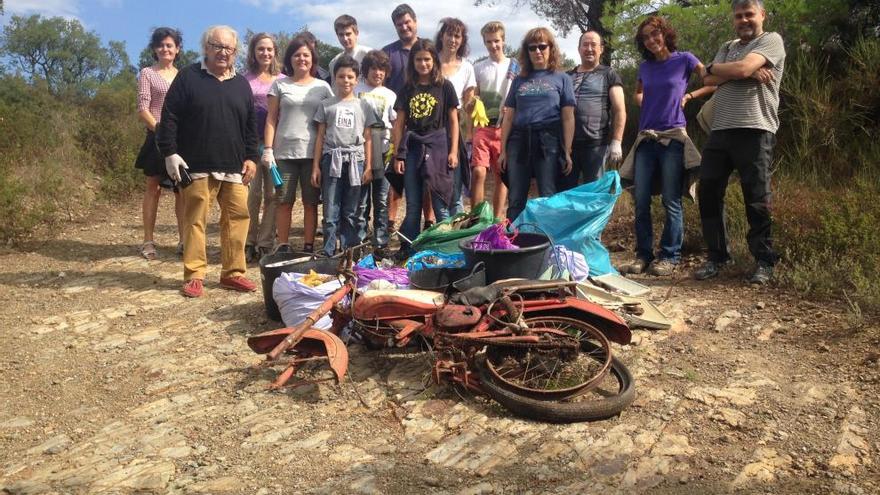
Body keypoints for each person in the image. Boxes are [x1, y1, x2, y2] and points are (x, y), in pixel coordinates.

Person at [156, 25, 260, 298]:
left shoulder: (241, 84)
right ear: (206, 47)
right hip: (197, 164)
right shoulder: (188, 77)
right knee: (195, 220)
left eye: (229, 48)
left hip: (235, 166)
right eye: (217, 46)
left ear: (235, 52)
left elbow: (250, 126)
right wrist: (169, 152)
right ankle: (194, 275)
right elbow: (169, 117)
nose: (223, 52)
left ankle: (233, 273)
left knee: (238, 219)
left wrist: (252, 157)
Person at [696, 0, 785, 285]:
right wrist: (730, 69)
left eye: (749, 14)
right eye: (739, 16)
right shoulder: (728, 45)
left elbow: (741, 69)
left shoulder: (772, 40)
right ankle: (718, 257)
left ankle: (764, 261)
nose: (744, 20)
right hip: (720, 131)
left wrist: (734, 69)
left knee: (757, 199)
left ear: (762, 16)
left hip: (755, 129)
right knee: (708, 193)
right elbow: (706, 76)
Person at [617, 16, 712, 277]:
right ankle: (643, 256)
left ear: (665, 34)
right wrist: (643, 99)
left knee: (671, 200)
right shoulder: (645, 67)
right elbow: (637, 92)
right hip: (646, 139)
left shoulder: (685, 60)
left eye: (654, 34)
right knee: (641, 200)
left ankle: (670, 256)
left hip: (673, 138)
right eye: (645, 38)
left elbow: (710, 79)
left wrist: (690, 95)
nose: (651, 40)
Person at [263, 37, 333, 255]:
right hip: (284, 153)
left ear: (312, 59)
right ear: (289, 59)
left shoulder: (323, 87)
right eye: (297, 55)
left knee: (311, 203)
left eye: (306, 55)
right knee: (284, 200)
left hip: (313, 154)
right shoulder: (280, 84)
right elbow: (271, 119)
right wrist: (268, 149)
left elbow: (329, 118)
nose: (302, 59)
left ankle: (308, 245)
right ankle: (283, 244)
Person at [391, 39, 461, 252]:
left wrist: (453, 151)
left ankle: (446, 246)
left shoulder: (444, 86)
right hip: (412, 147)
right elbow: (400, 124)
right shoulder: (407, 88)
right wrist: (398, 155)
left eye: (427, 59)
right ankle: (408, 246)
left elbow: (453, 120)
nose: (423, 64)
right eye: (419, 59)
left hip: (438, 146)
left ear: (434, 61)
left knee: (440, 201)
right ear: (412, 62)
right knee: (413, 203)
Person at [499, 27, 575, 222]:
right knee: (516, 197)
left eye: (542, 46)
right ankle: (513, 245)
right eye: (532, 48)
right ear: (527, 52)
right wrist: (502, 151)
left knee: (548, 195)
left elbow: (568, 117)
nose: (538, 51)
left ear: (551, 48)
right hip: (519, 140)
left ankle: (548, 245)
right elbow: (508, 117)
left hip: (548, 140)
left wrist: (567, 150)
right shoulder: (519, 80)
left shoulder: (563, 78)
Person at [311, 56, 375, 256]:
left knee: (351, 210)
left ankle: (349, 251)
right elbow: (320, 136)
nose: (345, 81)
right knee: (331, 209)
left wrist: (369, 166)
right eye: (341, 77)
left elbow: (368, 138)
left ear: (357, 80)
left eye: (350, 77)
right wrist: (316, 166)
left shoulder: (363, 106)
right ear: (334, 78)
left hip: (356, 160)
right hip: (332, 158)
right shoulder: (326, 105)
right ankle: (329, 251)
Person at [135, 27, 185, 260]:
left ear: (177, 49)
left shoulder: (183, 75)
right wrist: (159, 129)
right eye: (161, 45)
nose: (165, 49)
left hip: (181, 138)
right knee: (153, 189)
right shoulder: (147, 73)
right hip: (156, 136)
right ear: (155, 49)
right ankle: (148, 241)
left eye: (170, 45)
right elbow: (142, 108)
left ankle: (184, 240)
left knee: (182, 190)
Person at [382, 3, 429, 232]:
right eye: (399, 24)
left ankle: (429, 221)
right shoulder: (388, 53)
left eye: (407, 22)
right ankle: (390, 222)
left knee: (429, 175)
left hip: (428, 123)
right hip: (398, 121)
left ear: (416, 21)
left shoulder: (428, 49)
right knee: (396, 171)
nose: (404, 26)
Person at [561, 30, 626, 190]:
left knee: (594, 196)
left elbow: (620, 110)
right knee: (566, 195)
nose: (589, 48)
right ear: (579, 49)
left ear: (601, 49)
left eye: (593, 45)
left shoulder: (609, 74)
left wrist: (617, 141)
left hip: (596, 147)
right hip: (567, 147)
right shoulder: (566, 76)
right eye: (585, 45)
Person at [470, 21, 517, 217]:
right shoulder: (478, 67)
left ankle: (497, 220)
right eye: (488, 42)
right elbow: (472, 97)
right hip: (483, 126)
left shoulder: (515, 65)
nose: (493, 45)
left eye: (496, 41)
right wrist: (472, 103)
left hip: (506, 128)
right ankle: (475, 218)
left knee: (501, 176)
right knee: (479, 172)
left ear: (503, 40)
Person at [244, 33, 282, 262]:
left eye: (269, 49)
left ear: (275, 52)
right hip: (250, 145)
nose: (265, 53)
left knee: (273, 195)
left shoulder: (283, 79)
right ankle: (248, 240)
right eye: (260, 49)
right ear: (253, 52)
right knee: (251, 195)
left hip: (277, 146)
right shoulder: (243, 79)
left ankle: (266, 243)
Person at [355, 50, 397, 258]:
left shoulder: (390, 94)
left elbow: (395, 123)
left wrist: (397, 149)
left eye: (382, 69)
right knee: (361, 200)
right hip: (361, 145)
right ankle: (360, 241)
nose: (378, 73)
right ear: (366, 70)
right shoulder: (357, 89)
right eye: (373, 68)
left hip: (383, 145)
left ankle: (380, 242)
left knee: (381, 198)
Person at [328, 15, 372, 86]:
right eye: (341, 35)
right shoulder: (334, 62)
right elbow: (335, 89)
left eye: (348, 34)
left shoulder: (369, 54)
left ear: (356, 33)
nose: (345, 38)